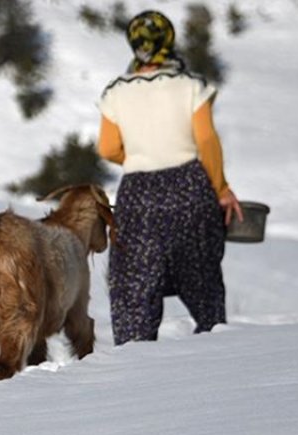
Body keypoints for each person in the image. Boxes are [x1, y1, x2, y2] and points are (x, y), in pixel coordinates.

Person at [97, 10, 244, 346]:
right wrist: (221, 189)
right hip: (189, 187)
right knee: (201, 271)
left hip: (138, 193)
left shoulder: (115, 93)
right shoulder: (191, 86)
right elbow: (206, 141)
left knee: (135, 277)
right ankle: (211, 338)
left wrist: (136, 156)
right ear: (169, 39)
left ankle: (135, 351)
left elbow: (107, 148)